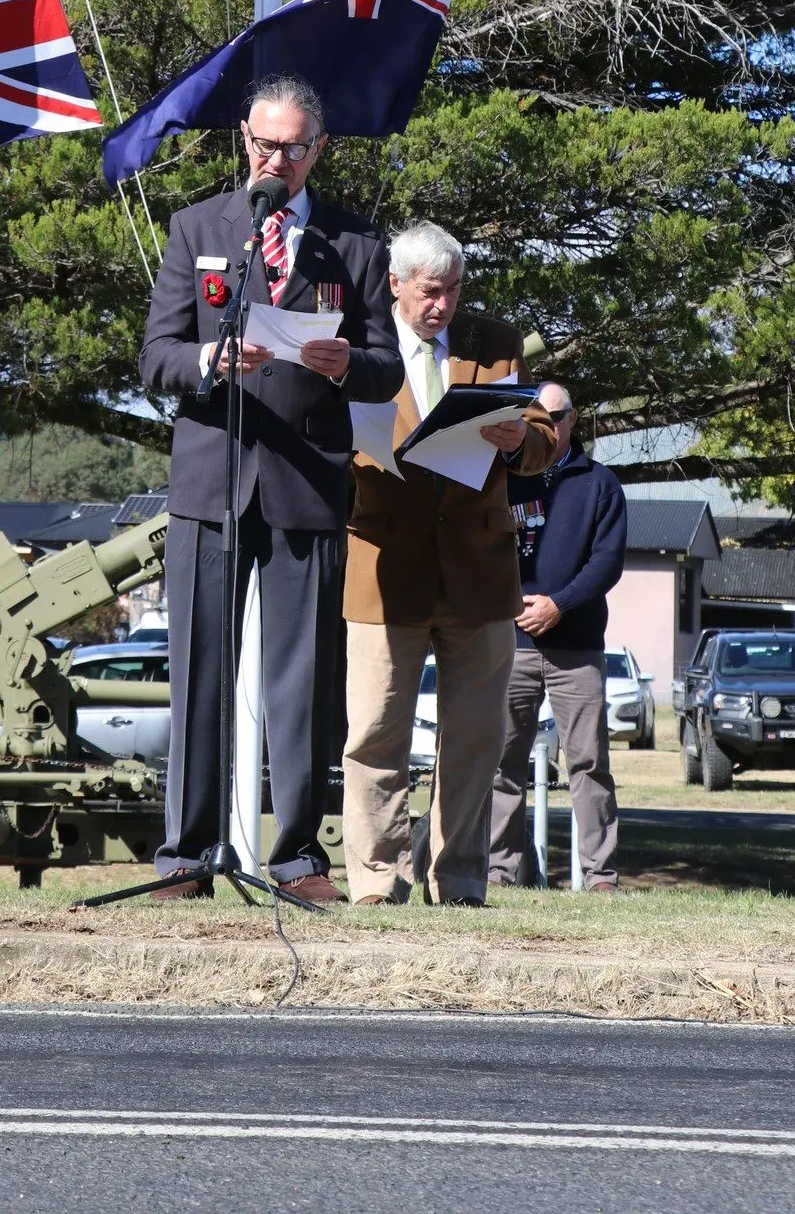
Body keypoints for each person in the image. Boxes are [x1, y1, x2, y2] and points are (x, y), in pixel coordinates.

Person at [139, 74, 402, 901]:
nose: (274, 158)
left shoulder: (356, 245)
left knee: (301, 683)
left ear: (317, 150)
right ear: (241, 142)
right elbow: (155, 357)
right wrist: (210, 361)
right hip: (210, 481)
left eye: (291, 146)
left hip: (305, 483)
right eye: (261, 142)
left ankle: (295, 857)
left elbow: (386, 370)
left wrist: (345, 363)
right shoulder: (200, 229)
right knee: (199, 673)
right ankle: (186, 852)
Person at [342, 221, 557, 906]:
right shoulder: (358, 340)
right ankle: (377, 879)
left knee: (475, 739)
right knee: (375, 731)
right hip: (383, 563)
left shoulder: (494, 343)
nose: (443, 305)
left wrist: (519, 437)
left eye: (454, 290)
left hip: (478, 568)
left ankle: (459, 877)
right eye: (430, 292)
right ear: (395, 285)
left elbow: (546, 432)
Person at [488, 380, 628, 892]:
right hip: (509, 644)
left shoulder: (600, 484)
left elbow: (606, 563)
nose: (543, 429)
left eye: (553, 418)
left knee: (588, 764)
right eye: (533, 420)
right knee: (501, 761)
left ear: (572, 419)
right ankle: (497, 872)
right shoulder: (498, 477)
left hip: (577, 647)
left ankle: (600, 877)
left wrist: (559, 605)